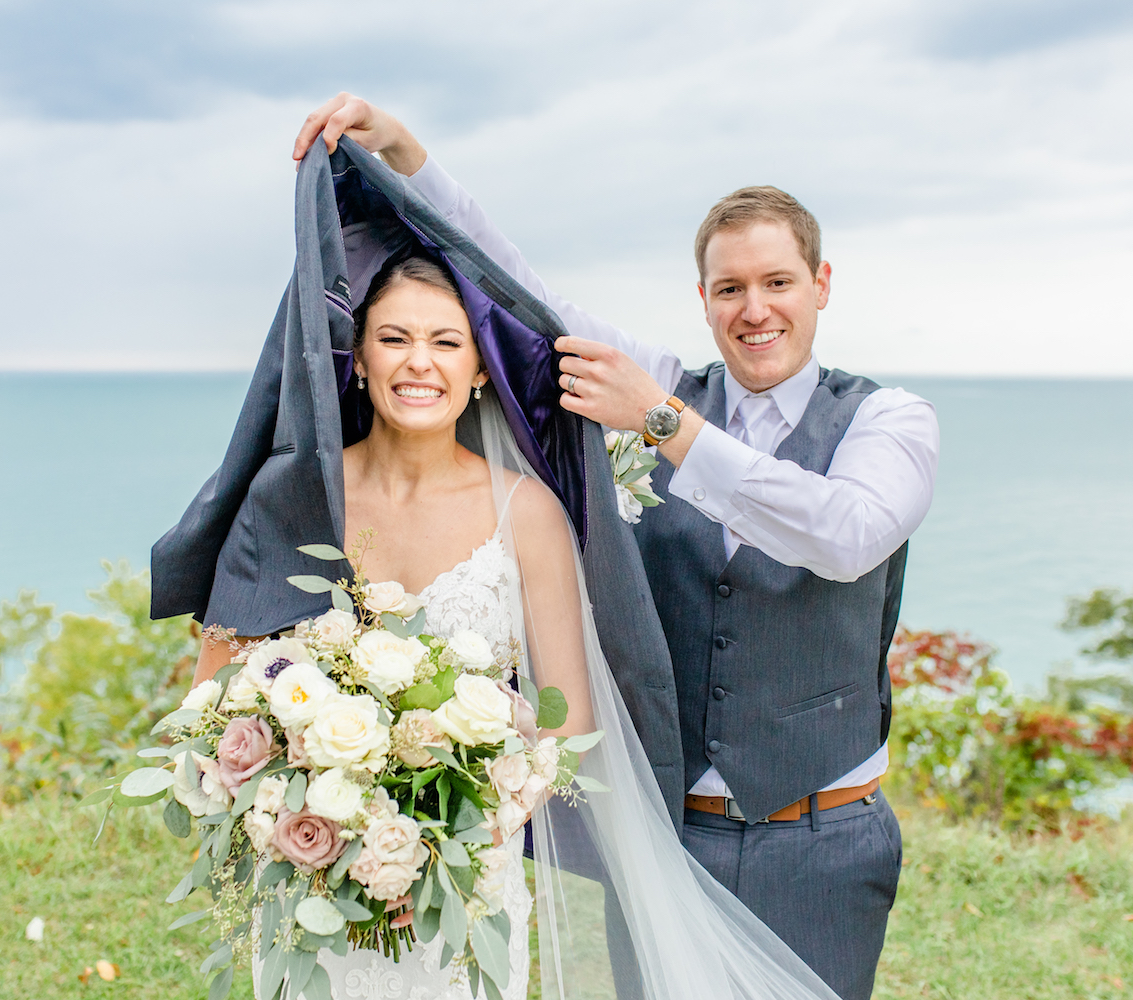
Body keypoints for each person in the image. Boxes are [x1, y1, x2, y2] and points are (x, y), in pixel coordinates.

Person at [155, 135, 850, 999]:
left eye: (446, 342)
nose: (420, 362)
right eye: (394, 339)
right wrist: (301, 808)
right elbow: (214, 691)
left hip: (465, 889)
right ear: (359, 361)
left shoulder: (529, 514)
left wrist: (449, 832)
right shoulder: (291, 496)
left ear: (481, 368)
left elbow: (562, 723)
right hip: (309, 885)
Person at [291, 94, 940, 1000]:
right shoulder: (667, 384)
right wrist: (405, 154)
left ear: (820, 284)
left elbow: (845, 535)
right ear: (705, 300)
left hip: (821, 842)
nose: (755, 309)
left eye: (778, 283)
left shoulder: (887, 419)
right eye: (730, 288)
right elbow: (519, 287)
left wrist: (666, 425)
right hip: (671, 834)